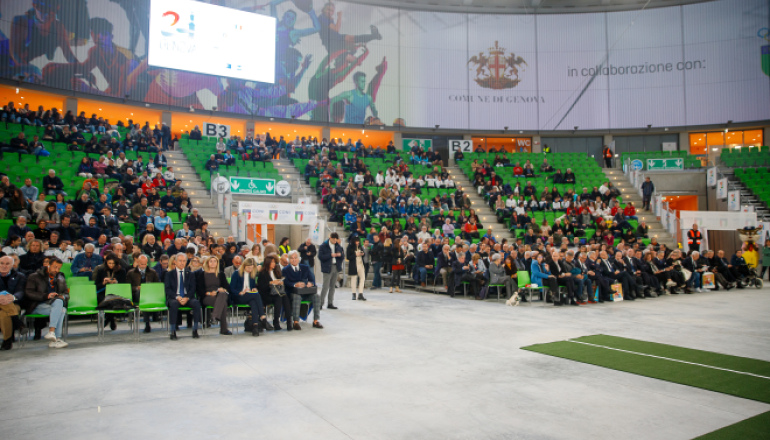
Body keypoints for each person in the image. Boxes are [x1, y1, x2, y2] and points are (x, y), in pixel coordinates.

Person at [22, 257, 69, 348]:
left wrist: (62, 296)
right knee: (61, 307)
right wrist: (46, 296)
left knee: (61, 307)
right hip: (35, 305)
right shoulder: (34, 276)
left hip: (52, 305)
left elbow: (67, 294)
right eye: (55, 267)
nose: (56, 270)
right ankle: (55, 336)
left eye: (59, 268)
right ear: (48, 265)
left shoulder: (60, 277)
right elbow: (29, 293)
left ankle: (54, 337)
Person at [282, 251, 322, 330]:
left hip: (305, 292)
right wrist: (295, 284)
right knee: (297, 297)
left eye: (295, 258)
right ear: (289, 260)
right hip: (292, 292)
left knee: (316, 296)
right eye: (292, 258)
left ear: (299, 259)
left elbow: (312, 279)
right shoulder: (285, 270)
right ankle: (296, 322)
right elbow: (285, 282)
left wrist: (310, 283)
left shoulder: (305, 267)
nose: (294, 260)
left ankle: (315, 320)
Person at [164, 254, 201, 340]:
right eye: (180, 261)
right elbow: (168, 289)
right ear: (175, 262)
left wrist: (187, 297)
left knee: (196, 303)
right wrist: (177, 297)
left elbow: (193, 288)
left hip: (187, 297)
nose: (182, 263)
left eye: (184, 261)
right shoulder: (169, 274)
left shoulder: (190, 274)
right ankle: (173, 331)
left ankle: (195, 329)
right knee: (173, 305)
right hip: (175, 298)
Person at [245, 256, 283, 335]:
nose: (274, 264)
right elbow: (261, 287)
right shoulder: (262, 273)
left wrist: (279, 282)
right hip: (264, 294)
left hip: (274, 293)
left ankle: (276, 321)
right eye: (272, 262)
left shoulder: (276, 271)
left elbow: (254, 286)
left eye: (274, 262)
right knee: (257, 298)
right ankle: (262, 319)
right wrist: (270, 283)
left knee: (280, 298)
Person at [197, 256, 231, 335]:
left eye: (215, 261)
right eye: (211, 261)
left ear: (217, 263)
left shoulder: (221, 274)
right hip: (207, 296)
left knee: (222, 295)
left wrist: (223, 289)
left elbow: (227, 287)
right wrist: (209, 293)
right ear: (207, 263)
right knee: (223, 303)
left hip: (219, 294)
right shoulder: (202, 274)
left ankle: (215, 317)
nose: (213, 263)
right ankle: (223, 329)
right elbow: (199, 290)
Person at [126, 255, 160, 333]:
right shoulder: (131, 273)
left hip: (150, 294)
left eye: (145, 264)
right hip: (136, 295)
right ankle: (148, 322)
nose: (143, 266)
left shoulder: (152, 272)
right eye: (141, 264)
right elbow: (128, 287)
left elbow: (157, 286)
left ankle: (147, 323)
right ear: (137, 263)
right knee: (141, 295)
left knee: (145, 297)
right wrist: (137, 288)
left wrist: (149, 288)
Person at [93, 254, 127, 331]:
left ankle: (109, 319)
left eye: (113, 263)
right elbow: (96, 286)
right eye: (109, 263)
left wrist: (116, 282)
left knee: (112, 300)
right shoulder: (101, 271)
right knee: (103, 299)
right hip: (104, 292)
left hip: (117, 292)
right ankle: (111, 319)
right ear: (106, 263)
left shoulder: (121, 271)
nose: (111, 265)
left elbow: (124, 285)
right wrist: (103, 283)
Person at [0, 256, 25, 350]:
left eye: (7, 264)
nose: (4, 266)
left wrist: (12, 297)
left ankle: (7, 341)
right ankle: (17, 323)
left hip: (14, 304)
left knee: (3, 314)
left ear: (12, 265)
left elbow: (21, 291)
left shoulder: (20, 276)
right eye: (2, 263)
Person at [318, 232, 344, 309]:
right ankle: (320, 303)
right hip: (327, 267)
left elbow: (342, 255)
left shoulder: (338, 246)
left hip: (336, 267)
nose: (335, 241)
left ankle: (330, 303)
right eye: (333, 239)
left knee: (333, 286)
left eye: (336, 239)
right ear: (330, 238)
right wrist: (330, 255)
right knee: (325, 286)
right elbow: (320, 257)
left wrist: (340, 255)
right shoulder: (323, 246)